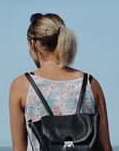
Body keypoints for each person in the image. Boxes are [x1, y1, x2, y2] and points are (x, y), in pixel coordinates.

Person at [9, 13, 113, 151]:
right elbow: (106, 147)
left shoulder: (21, 86)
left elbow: (18, 149)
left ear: (33, 44)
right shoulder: (90, 84)